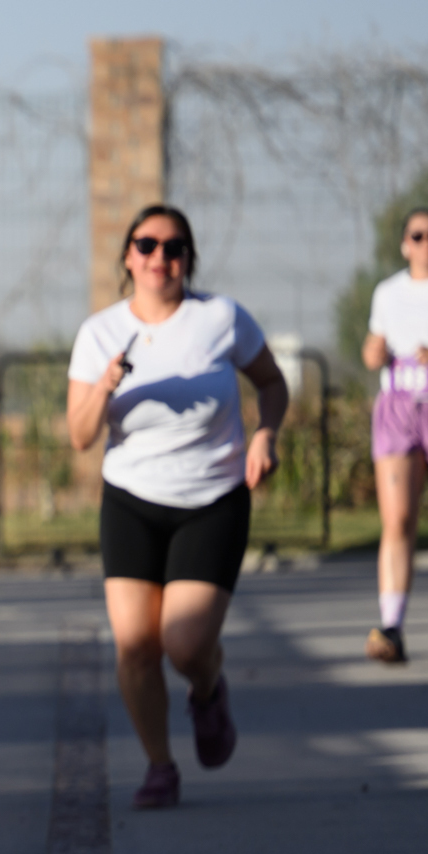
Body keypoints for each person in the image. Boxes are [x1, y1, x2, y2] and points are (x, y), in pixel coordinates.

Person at [67, 204, 288, 810]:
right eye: (147, 245)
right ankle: (159, 765)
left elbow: (271, 382)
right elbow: (81, 434)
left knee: (185, 645)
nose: (160, 258)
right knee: (136, 645)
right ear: (127, 258)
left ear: (189, 258)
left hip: (212, 497)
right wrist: (105, 385)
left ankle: (208, 687)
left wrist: (266, 434)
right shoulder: (100, 333)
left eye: (174, 247)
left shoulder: (221, 318)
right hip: (132, 500)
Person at [361, 206, 428, 664]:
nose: (427, 244)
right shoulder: (388, 292)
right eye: (417, 236)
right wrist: (372, 353)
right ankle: (391, 626)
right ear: (404, 243)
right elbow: (374, 348)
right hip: (397, 408)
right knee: (397, 520)